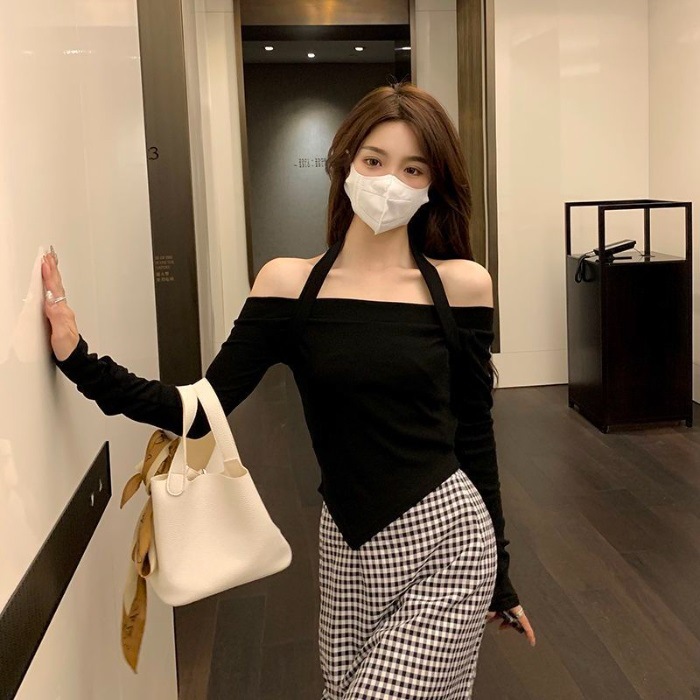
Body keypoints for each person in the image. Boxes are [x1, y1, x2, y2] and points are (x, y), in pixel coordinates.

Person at [42, 80, 536, 699]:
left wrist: (500, 577)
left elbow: (475, 435)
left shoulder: (462, 286)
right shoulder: (288, 285)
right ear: (346, 163)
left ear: (432, 185)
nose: (390, 182)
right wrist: (78, 358)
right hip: (345, 545)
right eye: (375, 161)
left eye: (413, 169)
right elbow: (197, 411)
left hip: (448, 539)